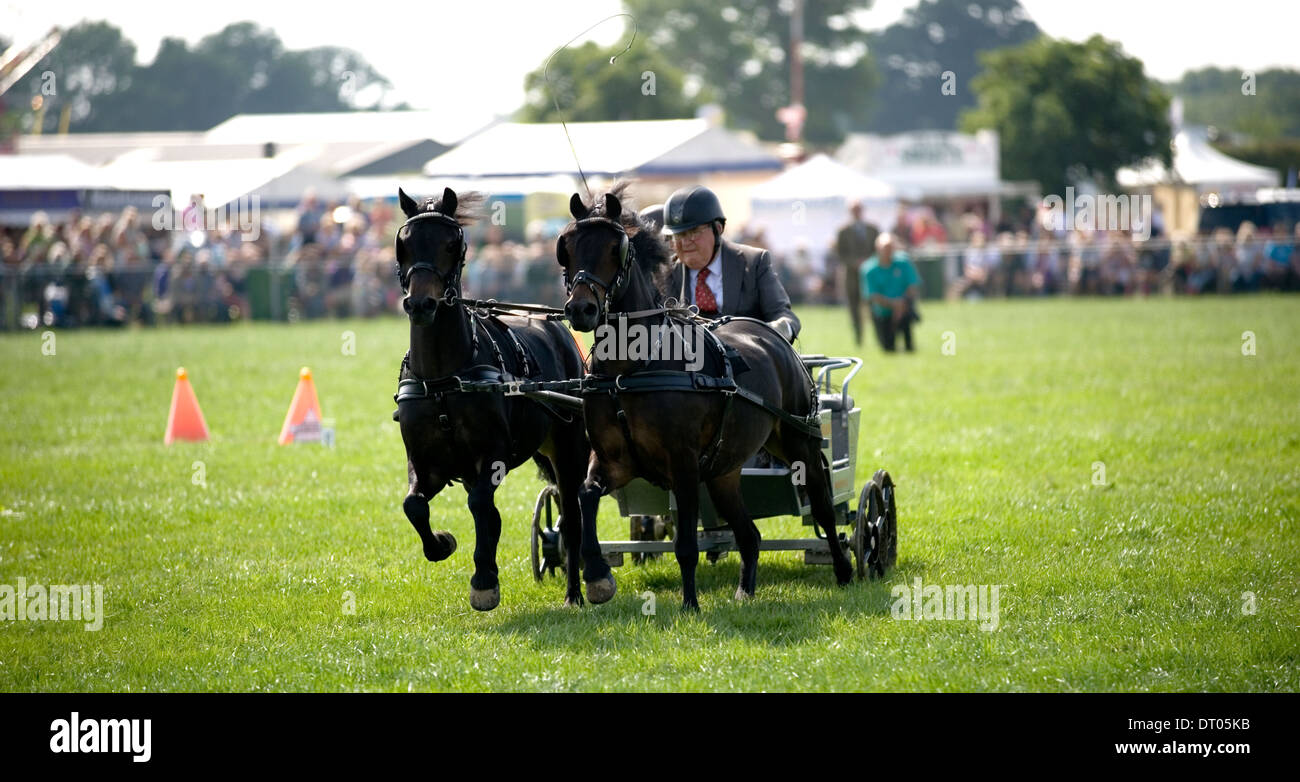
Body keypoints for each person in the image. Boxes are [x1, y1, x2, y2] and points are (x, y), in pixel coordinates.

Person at [660, 185, 800, 342]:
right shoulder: (664, 274)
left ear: (718, 229)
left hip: (746, 362)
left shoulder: (754, 262)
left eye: (693, 232)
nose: (685, 242)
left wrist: (775, 332)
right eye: (678, 235)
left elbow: (783, 315)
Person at [861, 232, 921, 353]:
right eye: (885, 248)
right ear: (877, 249)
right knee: (888, 348)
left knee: (909, 347)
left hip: (904, 307)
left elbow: (912, 285)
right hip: (883, 311)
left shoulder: (903, 262)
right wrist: (893, 305)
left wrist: (902, 303)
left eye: (891, 248)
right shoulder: (869, 269)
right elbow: (872, 296)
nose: (888, 252)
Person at [834, 200, 879, 346]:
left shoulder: (873, 229)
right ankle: (859, 339)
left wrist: (868, 263)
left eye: (858, 209)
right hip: (851, 276)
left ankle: (880, 338)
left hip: (871, 276)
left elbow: (878, 250)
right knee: (854, 309)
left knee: (874, 306)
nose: (857, 212)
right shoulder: (843, 230)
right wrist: (855, 263)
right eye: (854, 210)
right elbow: (840, 254)